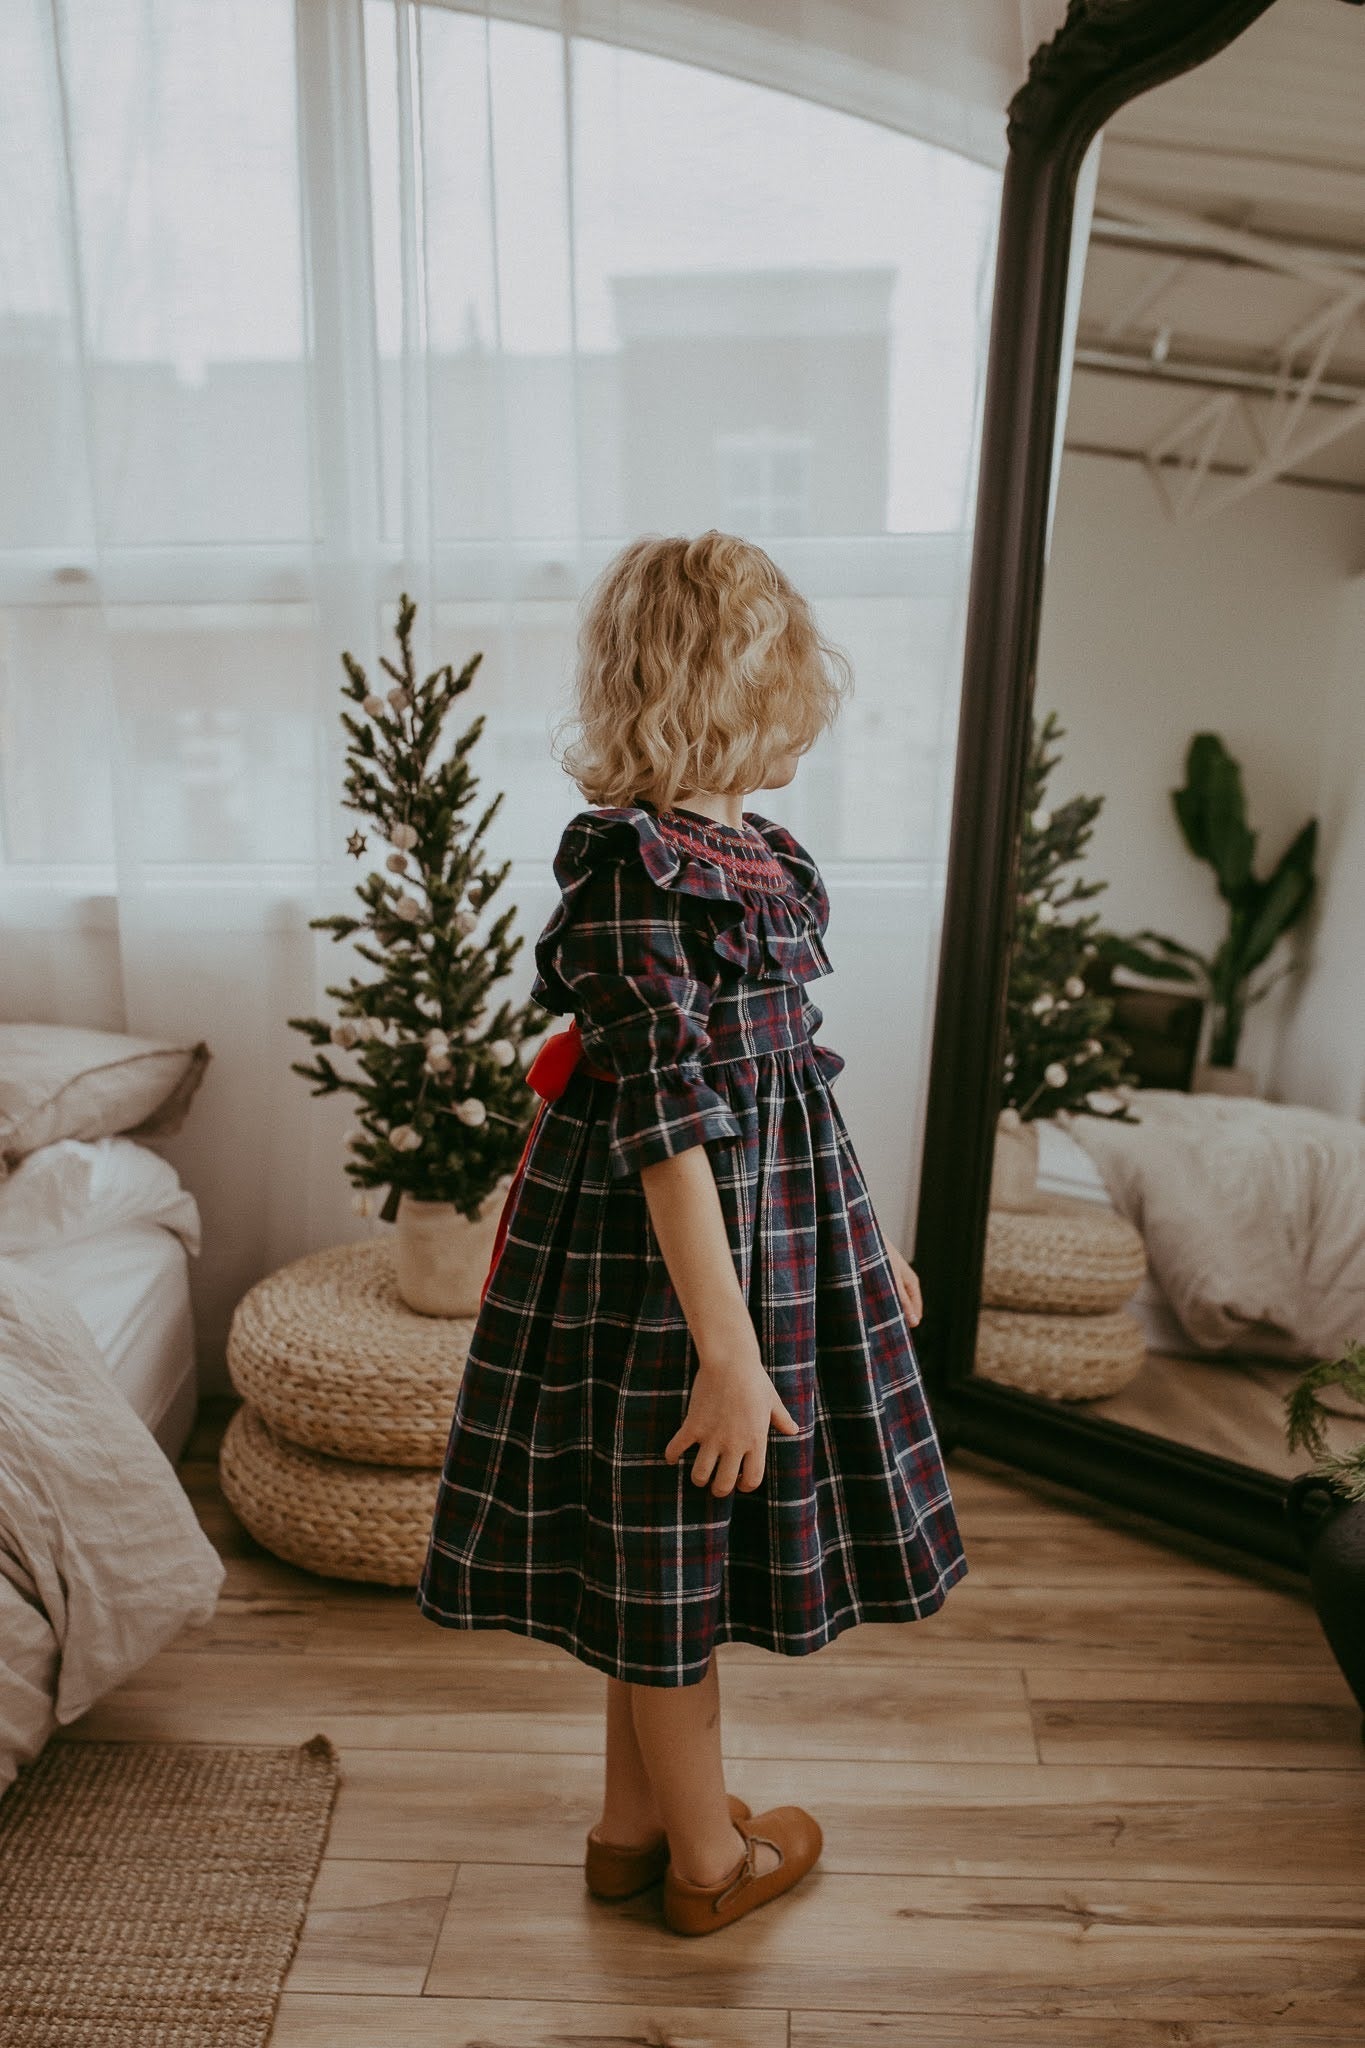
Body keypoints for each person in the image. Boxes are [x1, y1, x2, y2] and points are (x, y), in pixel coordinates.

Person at [417, 530, 967, 1936]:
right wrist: (725, 1356)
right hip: (669, 1273)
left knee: (651, 1555)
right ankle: (708, 1867)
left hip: (774, 1233)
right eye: (785, 695)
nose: (799, 727)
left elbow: (788, 1086)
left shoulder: (754, 854)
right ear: (733, 692)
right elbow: (669, 1137)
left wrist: (865, 1242)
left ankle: (628, 1830)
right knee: (663, 1545)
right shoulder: (629, 876)